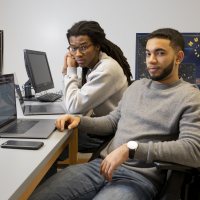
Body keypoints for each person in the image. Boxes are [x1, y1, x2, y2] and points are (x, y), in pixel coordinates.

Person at [30, 28, 200, 200]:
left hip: (138, 178)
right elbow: (112, 122)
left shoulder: (190, 97)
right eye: (148, 54)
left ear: (178, 57)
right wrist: (79, 120)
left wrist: (130, 149)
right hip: (100, 167)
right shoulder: (136, 87)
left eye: (160, 53)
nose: (151, 60)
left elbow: (194, 150)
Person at [62, 20, 132, 152]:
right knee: (58, 133)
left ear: (97, 46)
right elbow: (71, 103)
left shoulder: (106, 69)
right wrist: (66, 72)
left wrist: (71, 71)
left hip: (111, 134)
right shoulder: (93, 66)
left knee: (56, 143)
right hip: (102, 127)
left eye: (83, 47)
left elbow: (73, 107)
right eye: (73, 48)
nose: (77, 54)